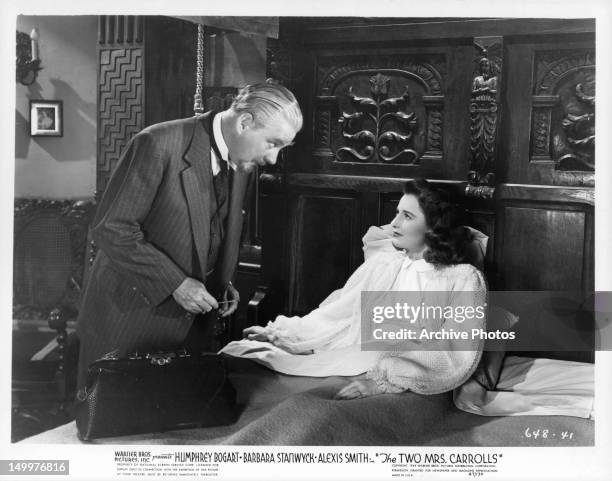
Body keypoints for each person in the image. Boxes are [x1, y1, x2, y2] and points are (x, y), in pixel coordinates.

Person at [76, 80, 303, 393]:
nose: (273, 159)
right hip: (128, 321)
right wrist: (176, 283)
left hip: (189, 329)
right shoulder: (158, 143)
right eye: (272, 143)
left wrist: (221, 281)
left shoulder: (242, 160)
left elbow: (211, 229)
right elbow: (112, 228)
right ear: (245, 122)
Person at [224, 179, 487, 400]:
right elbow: (337, 313)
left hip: (410, 375)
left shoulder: (463, 279)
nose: (394, 223)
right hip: (356, 354)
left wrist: (384, 382)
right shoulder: (384, 264)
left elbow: (455, 352)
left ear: (434, 227)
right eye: (396, 213)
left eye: (407, 216)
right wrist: (283, 333)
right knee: (242, 357)